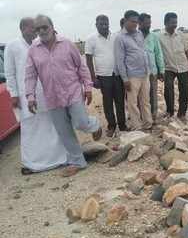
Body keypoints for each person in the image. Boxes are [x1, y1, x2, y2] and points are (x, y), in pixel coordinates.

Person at [25, 14, 102, 177]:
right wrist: (30, 96)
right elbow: (30, 75)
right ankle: (78, 162)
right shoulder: (33, 50)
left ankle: (94, 124)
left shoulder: (67, 44)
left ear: (52, 27)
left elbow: (81, 67)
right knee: (64, 131)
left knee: (81, 123)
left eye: (44, 27)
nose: (41, 31)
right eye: (38, 29)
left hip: (72, 92)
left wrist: (87, 87)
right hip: (52, 97)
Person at [4, 17, 67, 174]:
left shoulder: (39, 43)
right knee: (31, 129)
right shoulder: (12, 46)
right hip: (25, 96)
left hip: (45, 92)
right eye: (34, 28)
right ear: (24, 28)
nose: (37, 31)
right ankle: (32, 164)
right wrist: (14, 94)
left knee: (50, 125)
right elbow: (10, 73)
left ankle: (57, 159)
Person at [85, 15, 127, 137]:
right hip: (103, 76)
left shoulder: (115, 36)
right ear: (96, 25)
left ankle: (122, 125)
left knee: (120, 101)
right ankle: (111, 126)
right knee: (107, 102)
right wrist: (93, 78)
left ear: (109, 23)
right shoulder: (91, 39)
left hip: (117, 74)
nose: (104, 26)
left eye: (106, 23)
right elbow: (88, 60)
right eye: (101, 24)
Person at [114, 10, 152, 130]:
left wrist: (149, 69)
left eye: (136, 22)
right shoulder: (119, 38)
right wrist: (125, 79)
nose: (135, 24)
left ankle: (148, 123)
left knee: (145, 101)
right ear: (125, 21)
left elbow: (143, 52)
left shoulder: (139, 34)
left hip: (144, 74)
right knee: (132, 103)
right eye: (132, 22)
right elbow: (120, 60)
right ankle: (137, 126)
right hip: (132, 76)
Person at [158, 12, 188, 121]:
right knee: (168, 89)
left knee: (185, 91)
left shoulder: (181, 35)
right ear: (165, 23)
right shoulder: (159, 37)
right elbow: (158, 54)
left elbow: (187, 51)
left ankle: (181, 113)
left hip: (183, 67)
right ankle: (170, 111)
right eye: (172, 23)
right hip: (168, 68)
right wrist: (159, 70)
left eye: (176, 22)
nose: (175, 25)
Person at [139, 13, 165, 122]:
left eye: (149, 23)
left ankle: (153, 116)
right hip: (139, 73)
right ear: (139, 23)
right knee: (141, 97)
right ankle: (143, 117)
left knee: (153, 95)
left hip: (153, 71)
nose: (149, 25)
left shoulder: (154, 37)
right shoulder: (135, 36)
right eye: (146, 23)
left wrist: (161, 70)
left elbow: (158, 54)